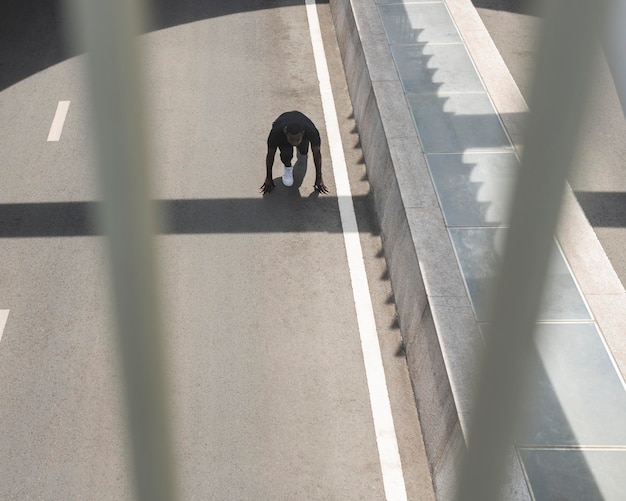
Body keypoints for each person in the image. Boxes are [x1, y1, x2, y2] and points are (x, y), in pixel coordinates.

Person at [260, 111, 329, 194]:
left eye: (297, 140)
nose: (294, 143)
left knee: (303, 152)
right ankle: (288, 166)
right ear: (285, 132)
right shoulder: (276, 133)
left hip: (303, 127)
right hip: (283, 133)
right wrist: (268, 177)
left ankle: (302, 150)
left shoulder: (312, 132)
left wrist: (319, 177)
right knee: (286, 155)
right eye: (291, 140)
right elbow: (270, 155)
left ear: (303, 133)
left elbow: (317, 155)